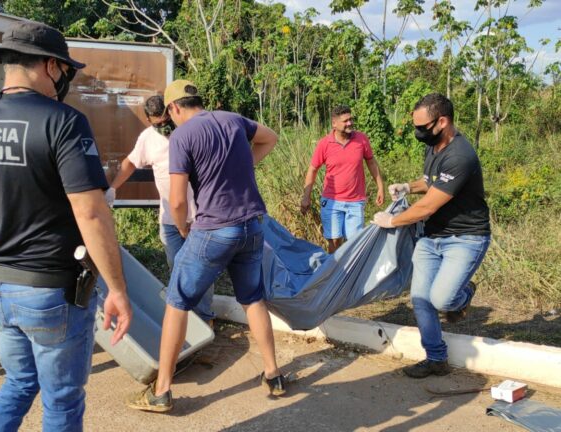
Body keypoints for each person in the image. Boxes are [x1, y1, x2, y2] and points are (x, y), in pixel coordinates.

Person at [0, 21, 133, 431]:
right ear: (50, 65)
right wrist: (117, 289)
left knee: (19, 383)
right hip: (50, 291)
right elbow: (91, 212)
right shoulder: (63, 121)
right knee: (61, 401)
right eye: (64, 69)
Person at [126, 80, 286, 413]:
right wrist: (244, 170)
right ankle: (273, 375)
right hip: (251, 227)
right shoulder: (233, 119)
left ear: (173, 108)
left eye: (170, 115)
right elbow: (270, 138)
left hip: (214, 228)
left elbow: (178, 199)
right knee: (253, 299)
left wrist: (184, 227)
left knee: (177, 300)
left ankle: (161, 391)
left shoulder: (182, 136)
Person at [372, 93, 491, 378]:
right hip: (431, 237)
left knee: (443, 299)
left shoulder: (461, 155)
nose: (418, 133)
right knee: (421, 299)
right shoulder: (434, 147)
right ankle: (436, 358)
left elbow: (429, 205)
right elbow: (430, 182)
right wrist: (407, 187)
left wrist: (392, 220)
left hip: (465, 238)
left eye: (422, 127)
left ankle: (464, 294)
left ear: (442, 121)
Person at [106, 96, 214, 324]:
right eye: (158, 124)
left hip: (199, 217)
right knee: (177, 269)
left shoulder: (189, 131)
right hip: (170, 219)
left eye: (166, 121)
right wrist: (113, 188)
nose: (164, 127)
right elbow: (130, 162)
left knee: (201, 268)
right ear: (148, 121)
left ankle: (205, 318)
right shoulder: (148, 139)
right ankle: (185, 321)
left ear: (172, 112)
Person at [301, 105, 385, 253]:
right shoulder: (324, 144)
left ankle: (353, 275)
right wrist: (306, 197)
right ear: (334, 123)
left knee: (354, 243)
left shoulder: (361, 139)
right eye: (345, 121)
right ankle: (336, 274)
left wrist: (380, 187)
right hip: (332, 202)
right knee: (334, 241)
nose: (350, 123)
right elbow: (313, 170)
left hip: (355, 201)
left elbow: (371, 162)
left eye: (350, 119)